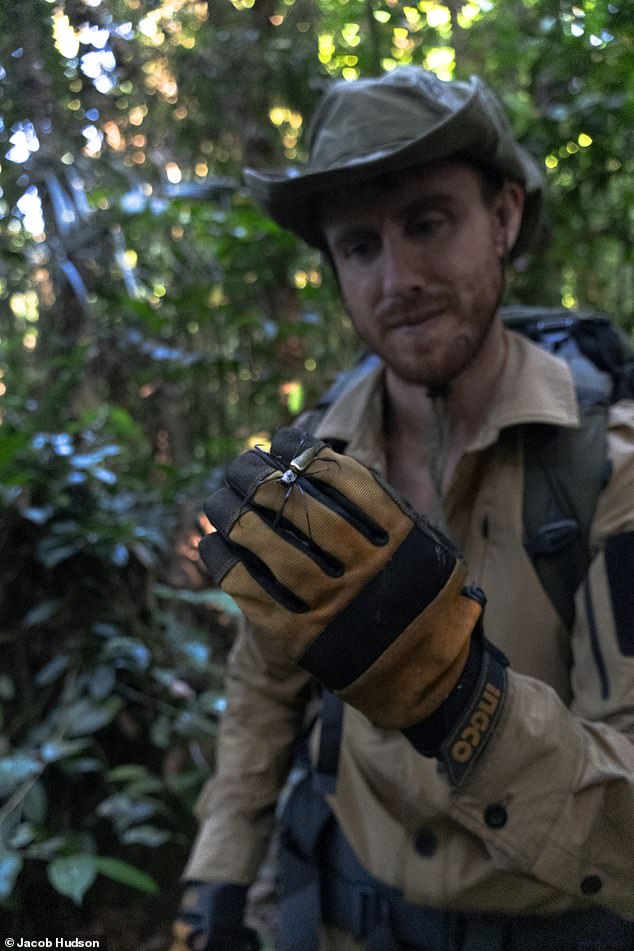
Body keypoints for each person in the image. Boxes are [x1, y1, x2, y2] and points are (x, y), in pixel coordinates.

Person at [171, 68, 634, 951]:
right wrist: (216, 879)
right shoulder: (313, 466)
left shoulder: (608, 462)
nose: (399, 279)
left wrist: (460, 702)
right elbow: (262, 693)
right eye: (359, 246)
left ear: (502, 217)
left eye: (429, 223)